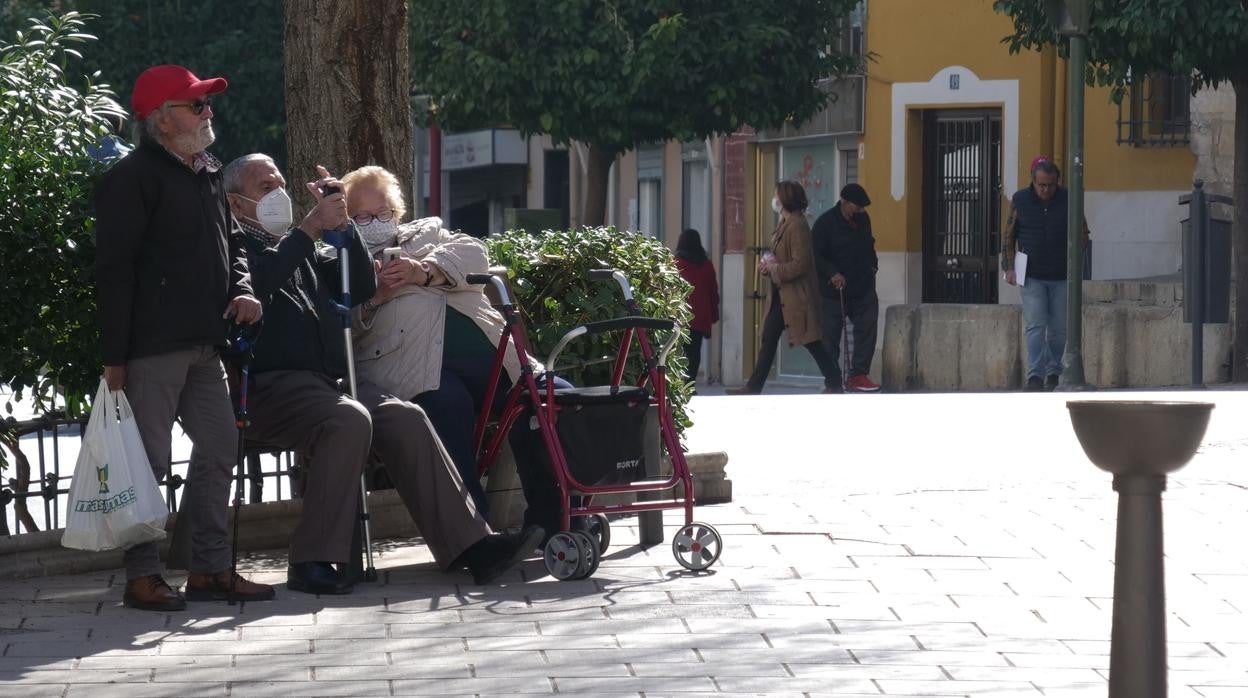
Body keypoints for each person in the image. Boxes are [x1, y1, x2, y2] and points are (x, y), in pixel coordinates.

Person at [218, 155, 541, 588]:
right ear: (235, 203)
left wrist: (344, 226)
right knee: (348, 419)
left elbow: (359, 284)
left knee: (404, 416)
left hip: (326, 383)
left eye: (280, 184)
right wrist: (310, 227)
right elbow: (258, 281)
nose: (278, 194)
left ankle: (472, 546)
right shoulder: (232, 244)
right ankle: (312, 561)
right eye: (264, 187)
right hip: (269, 385)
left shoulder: (302, 248)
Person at [94, 64, 272, 611]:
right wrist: (114, 356)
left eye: (206, 103)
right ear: (162, 119)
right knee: (149, 463)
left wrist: (244, 289)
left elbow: (235, 246)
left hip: (205, 342)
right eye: (195, 105)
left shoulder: (208, 171)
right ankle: (142, 577)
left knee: (220, 446)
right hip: (152, 346)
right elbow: (114, 271)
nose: (207, 112)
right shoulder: (130, 179)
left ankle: (210, 569)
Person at [340, 166, 567, 537]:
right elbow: (339, 329)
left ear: (397, 213)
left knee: (553, 399)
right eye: (362, 217)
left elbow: (474, 253)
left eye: (383, 213)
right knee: (446, 407)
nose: (376, 224)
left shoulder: (426, 234)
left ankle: (556, 522)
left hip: (497, 361)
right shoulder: (343, 261)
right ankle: (478, 537)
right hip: (415, 370)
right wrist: (375, 297)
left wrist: (424, 270)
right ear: (347, 219)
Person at [730, 180, 842, 395]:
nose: (774, 199)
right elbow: (781, 257)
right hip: (781, 295)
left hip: (796, 296)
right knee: (770, 338)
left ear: (785, 199)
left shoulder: (797, 225)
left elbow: (801, 264)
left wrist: (774, 269)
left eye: (777, 195)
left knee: (811, 340)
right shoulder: (785, 222)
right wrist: (768, 266)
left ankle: (834, 381)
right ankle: (753, 386)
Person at [1001, 156, 1090, 391]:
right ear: (1033, 181)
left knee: (1059, 330)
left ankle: (1053, 372)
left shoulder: (1069, 199)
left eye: (1050, 185)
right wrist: (1009, 267)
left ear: (1057, 182)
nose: (1046, 190)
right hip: (1031, 275)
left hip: (1061, 275)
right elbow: (1009, 235)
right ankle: (1035, 376)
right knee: (1036, 325)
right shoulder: (1020, 200)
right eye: (1041, 185)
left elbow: (1083, 233)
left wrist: (1075, 256)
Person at [811, 183, 881, 393]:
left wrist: (873, 265)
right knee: (829, 338)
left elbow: (869, 244)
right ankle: (833, 379)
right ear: (844, 202)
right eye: (857, 207)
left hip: (863, 287)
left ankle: (858, 375)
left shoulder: (863, 219)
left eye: (862, 207)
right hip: (833, 292)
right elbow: (815, 255)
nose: (861, 211)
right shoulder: (824, 223)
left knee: (867, 329)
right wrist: (832, 273)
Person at [674, 229, 720, 384]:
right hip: (699, 318)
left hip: (679, 316)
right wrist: (714, 314)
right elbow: (713, 292)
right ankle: (690, 384)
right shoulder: (707, 265)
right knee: (694, 353)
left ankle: (677, 385)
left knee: (676, 351)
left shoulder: (675, 264)